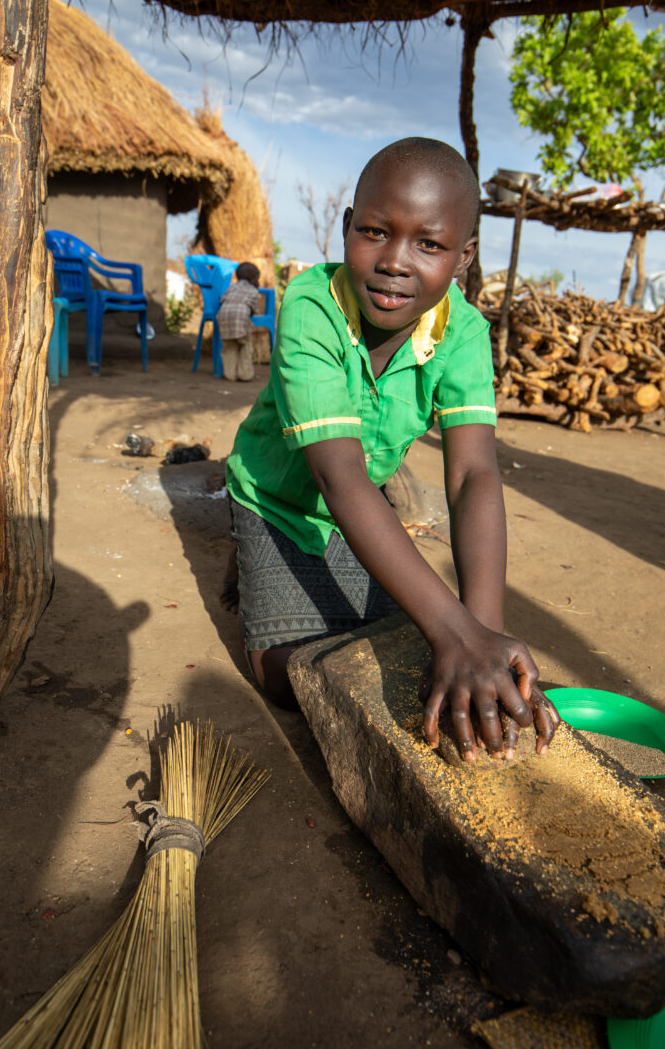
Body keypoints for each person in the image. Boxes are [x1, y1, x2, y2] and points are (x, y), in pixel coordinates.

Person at [224, 137, 559, 761]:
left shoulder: (464, 333)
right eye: (376, 232)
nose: (396, 262)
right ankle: (248, 549)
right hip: (280, 499)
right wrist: (452, 632)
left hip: (355, 511)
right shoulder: (311, 308)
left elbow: (472, 478)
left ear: (464, 257)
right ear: (348, 226)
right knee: (285, 677)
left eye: (429, 244)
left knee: (410, 648)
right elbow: (340, 475)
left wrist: (478, 636)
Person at [218, 261, 263, 381]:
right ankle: (244, 375)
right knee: (245, 347)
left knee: (229, 348)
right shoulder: (253, 291)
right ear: (254, 279)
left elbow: (222, 300)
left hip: (224, 318)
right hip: (241, 320)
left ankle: (230, 375)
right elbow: (253, 309)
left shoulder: (231, 288)